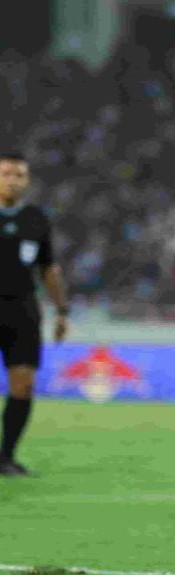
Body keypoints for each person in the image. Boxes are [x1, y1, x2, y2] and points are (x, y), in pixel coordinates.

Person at [0, 152, 69, 477]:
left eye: (19, 175)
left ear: (27, 181)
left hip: (22, 309)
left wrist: (61, 311)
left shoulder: (35, 219)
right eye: (6, 173)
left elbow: (48, 269)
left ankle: (6, 457)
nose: (12, 180)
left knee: (23, 383)